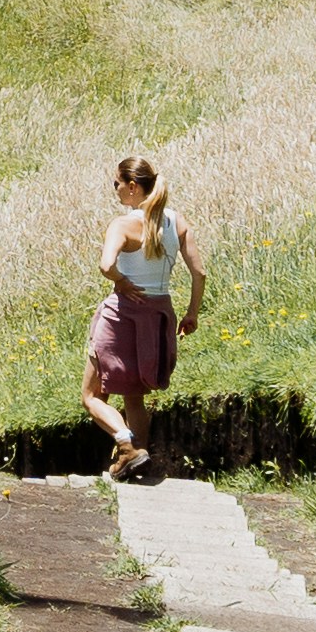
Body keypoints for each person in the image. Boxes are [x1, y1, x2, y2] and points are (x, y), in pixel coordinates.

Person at [86, 153, 200, 480]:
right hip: (159, 313)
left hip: (122, 314)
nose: (115, 190)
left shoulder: (122, 224)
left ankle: (126, 444)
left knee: (92, 396)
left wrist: (122, 282)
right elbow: (199, 272)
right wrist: (191, 314)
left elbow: (106, 265)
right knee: (134, 397)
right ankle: (137, 463)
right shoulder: (176, 222)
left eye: (117, 184)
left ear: (133, 186)